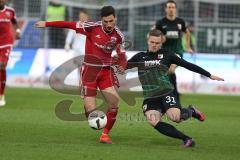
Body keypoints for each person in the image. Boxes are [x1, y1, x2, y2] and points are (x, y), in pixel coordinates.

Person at [35, 6, 127, 144]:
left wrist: (122, 66)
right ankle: (90, 114)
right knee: (91, 112)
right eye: (105, 21)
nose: (109, 25)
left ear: (115, 19)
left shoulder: (118, 35)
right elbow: (69, 25)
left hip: (105, 72)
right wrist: (47, 24)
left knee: (114, 103)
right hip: (89, 72)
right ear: (101, 20)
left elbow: (122, 55)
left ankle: (105, 135)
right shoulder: (91, 27)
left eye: (111, 21)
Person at [126, 29, 224, 147]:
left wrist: (209, 75)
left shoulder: (167, 54)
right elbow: (123, 67)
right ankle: (186, 139)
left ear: (161, 43)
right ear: (148, 41)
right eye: (152, 42)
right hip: (150, 97)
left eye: (157, 43)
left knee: (176, 118)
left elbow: (188, 65)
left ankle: (191, 111)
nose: (154, 45)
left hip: (165, 92)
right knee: (153, 121)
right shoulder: (139, 57)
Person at [155, 0, 193, 103]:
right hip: (165, 53)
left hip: (177, 52)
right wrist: (161, 39)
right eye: (169, 7)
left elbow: (187, 32)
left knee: (171, 70)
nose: (171, 9)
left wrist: (188, 46)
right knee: (165, 74)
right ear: (165, 9)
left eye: (172, 7)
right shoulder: (160, 23)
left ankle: (175, 93)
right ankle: (170, 94)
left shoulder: (180, 22)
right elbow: (153, 34)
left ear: (175, 9)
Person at [0, 0, 20, 106]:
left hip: (6, 42)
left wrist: (17, 31)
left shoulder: (10, 11)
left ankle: (1, 95)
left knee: (2, 66)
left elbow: (14, 22)